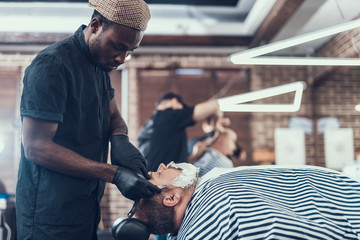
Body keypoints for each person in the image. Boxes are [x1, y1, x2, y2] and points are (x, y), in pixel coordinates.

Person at [16, 0, 161, 239]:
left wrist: (120, 138)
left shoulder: (99, 67)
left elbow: (112, 114)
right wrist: (114, 174)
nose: (121, 58)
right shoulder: (52, 66)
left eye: (129, 52)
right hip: (47, 217)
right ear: (95, 25)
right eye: (118, 46)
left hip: (85, 209)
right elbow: (37, 148)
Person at [134, 162, 360, 239]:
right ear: (172, 197)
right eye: (158, 175)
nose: (162, 166)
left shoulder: (204, 194)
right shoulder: (218, 204)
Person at [137, 92, 223, 172]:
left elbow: (165, 160)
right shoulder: (168, 116)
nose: (182, 112)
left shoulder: (145, 129)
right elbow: (214, 105)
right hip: (164, 185)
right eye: (182, 108)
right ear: (174, 102)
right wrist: (219, 125)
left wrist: (194, 156)